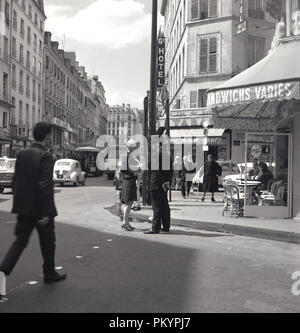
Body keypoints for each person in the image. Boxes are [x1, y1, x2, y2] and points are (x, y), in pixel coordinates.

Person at [0, 123, 67, 297]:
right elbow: (45, 185)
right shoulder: (45, 156)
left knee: (20, 242)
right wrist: (45, 212)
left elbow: (16, 181)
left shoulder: (22, 153)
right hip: (40, 208)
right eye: (50, 135)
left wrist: (20, 204)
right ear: (46, 136)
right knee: (48, 241)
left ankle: (2, 271)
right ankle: (49, 272)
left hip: (24, 208)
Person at [144, 130, 172, 234]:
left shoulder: (156, 155)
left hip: (155, 184)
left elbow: (152, 169)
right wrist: (166, 182)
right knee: (164, 206)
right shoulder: (167, 155)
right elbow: (170, 171)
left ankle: (155, 228)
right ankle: (166, 226)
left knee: (156, 207)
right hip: (163, 185)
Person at [119, 139, 140, 232]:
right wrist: (135, 170)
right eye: (134, 147)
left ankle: (125, 222)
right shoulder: (126, 156)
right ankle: (125, 222)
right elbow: (123, 169)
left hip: (129, 180)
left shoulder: (129, 156)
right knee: (129, 202)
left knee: (129, 203)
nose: (136, 149)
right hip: (129, 181)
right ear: (130, 147)